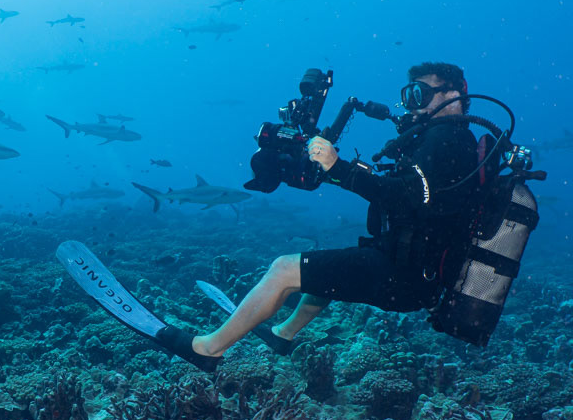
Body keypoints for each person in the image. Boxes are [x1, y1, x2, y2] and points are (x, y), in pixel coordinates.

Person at [166, 62, 484, 368]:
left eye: (421, 94)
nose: (412, 105)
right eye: (409, 95)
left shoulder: (448, 139)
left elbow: (403, 197)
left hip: (406, 276)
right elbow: (409, 196)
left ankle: (208, 349)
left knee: (283, 269)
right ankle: (283, 333)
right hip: (413, 268)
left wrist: (339, 168)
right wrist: (332, 170)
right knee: (327, 269)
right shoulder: (446, 139)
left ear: (454, 93)